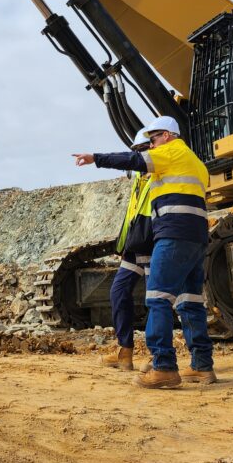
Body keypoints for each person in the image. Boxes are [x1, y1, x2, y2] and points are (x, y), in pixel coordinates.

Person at [74, 115, 214, 389]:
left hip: (173, 234)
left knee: (158, 298)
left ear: (169, 136)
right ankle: (202, 366)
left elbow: (133, 161)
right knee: (190, 301)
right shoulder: (196, 163)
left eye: (154, 139)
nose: (151, 146)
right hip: (196, 237)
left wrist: (95, 157)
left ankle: (164, 367)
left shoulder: (170, 152)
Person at [100, 133, 153, 372]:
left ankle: (157, 357)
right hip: (135, 247)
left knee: (156, 302)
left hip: (154, 246)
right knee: (118, 293)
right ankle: (124, 352)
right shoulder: (139, 182)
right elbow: (132, 216)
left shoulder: (160, 176)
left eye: (140, 151)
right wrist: (123, 246)